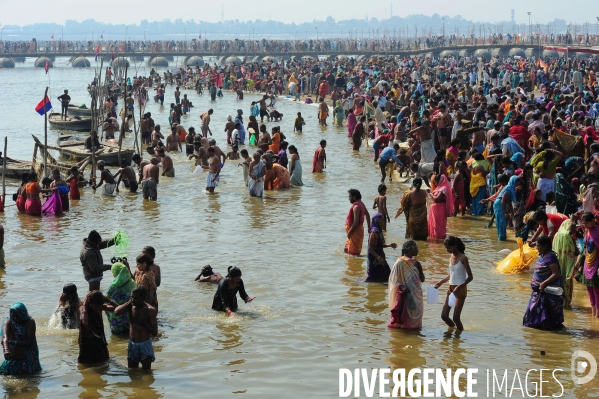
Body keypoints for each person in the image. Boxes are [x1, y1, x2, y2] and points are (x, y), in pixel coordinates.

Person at [522, 235, 565, 330]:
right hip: (537, 292)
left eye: (538, 246)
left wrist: (544, 283)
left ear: (545, 246)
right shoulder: (542, 255)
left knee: (548, 319)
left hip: (546, 292)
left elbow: (555, 273)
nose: (536, 248)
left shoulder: (551, 257)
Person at [434, 236, 474, 331]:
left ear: (455, 245)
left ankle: (459, 335)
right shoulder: (451, 256)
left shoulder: (463, 258)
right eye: (446, 248)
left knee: (456, 318)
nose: (448, 250)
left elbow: (470, 277)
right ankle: (453, 330)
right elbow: (452, 274)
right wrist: (441, 282)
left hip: (460, 289)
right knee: (444, 316)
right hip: (451, 288)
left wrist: (459, 287)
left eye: (449, 248)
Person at [114, 286, 158, 369]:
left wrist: (144, 321)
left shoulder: (150, 310)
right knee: (132, 371)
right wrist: (129, 302)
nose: (133, 300)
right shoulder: (131, 306)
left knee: (146, 373)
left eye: (136, 298)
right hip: (132, 344)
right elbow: (116, 312)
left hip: (145, 344)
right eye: (132, 297)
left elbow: (154, 332)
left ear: (143, 298)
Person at [388, 241, 425, 329]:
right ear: (410, 250)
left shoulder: (416, 263)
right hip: (405, 295)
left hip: (416, 296)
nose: (418, 250)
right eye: (416, 248)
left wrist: (420, 269)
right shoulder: (400, 263)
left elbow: (422, 279)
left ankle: (414, 332)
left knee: (416, 316)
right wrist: (402, 287)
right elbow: (393, 280)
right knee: (404, 316)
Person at [0, 302, 42, 375]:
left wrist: (14, 342)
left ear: (23, 314)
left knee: (32, 379)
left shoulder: (30, 322)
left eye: (17, 316)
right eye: (13, 315)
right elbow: (5, 337)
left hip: (28, 359)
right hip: (12, 360)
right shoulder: (8, 322)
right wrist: (6, 349)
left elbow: (29, 342)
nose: (15, 318)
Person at [78, 290, 118, 364]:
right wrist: (85, 305)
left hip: (99, 341)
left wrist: (108, 300)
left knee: (103, 363)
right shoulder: (83, 309)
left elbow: (118, 309)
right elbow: (85, 322)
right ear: (90, 304)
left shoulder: (101, 307)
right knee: (86, 365)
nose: (98, 309)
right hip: (87, 343)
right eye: (96, 307)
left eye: (100, 306)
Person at [552, 220, 579, 308]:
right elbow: (574, 253)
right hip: (566, 266)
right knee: (566, 281)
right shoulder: (567, 236)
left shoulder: (557, 235)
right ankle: (565, 304)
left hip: (556, 266)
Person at [578, 212, 599, 318]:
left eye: (587, 223)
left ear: (593, 221)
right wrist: (581, 262)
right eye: (583, 223)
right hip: (588, 262)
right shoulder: (587, 231)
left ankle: (597, 315)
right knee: (588, 288)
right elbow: (585, 248)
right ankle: (593, 313)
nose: (585, 226)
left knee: (596, 289)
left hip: (597, 264)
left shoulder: (597, 232)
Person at [105, 262, 136, 335]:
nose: (112, 274)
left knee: (106, 303)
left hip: (118, 311)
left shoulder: (114, 285)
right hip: (128, 310)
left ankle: (117, 330)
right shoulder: (132, 282)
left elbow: (106, 298)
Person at [366, 213, 397, 282]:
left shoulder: (379, 230)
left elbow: (379, 245)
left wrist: (389, 245)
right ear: (377, 221)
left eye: (383, 220)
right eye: (382, 220)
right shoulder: (374, 232)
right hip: (374, 257)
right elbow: (370, 248)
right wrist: (378, 257)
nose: (384, 222)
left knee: (387, 275)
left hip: (379, 256)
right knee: (373, 278)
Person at [344, 189, 371, 256]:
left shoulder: (356, 207)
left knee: (354, 254)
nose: (348, 198)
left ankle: (355, 264)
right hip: (353, 231)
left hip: (355, 232)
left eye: (349, 196)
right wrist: (369, 227)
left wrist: (349, 233)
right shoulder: (361, 203)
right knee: (346, 250)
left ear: (354, 197)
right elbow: (367, 215)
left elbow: (356, 222)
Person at [428, 175, 454, 240]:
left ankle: (439, 240)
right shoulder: (439, 188)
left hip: (439, 209)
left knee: (438, 225)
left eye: (436, 182)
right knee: (434, 225)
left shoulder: (443, 188)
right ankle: (435, 239)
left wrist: (431, 194)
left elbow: (437, 199)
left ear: (439, 181)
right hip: (436, 209)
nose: (435, 184)